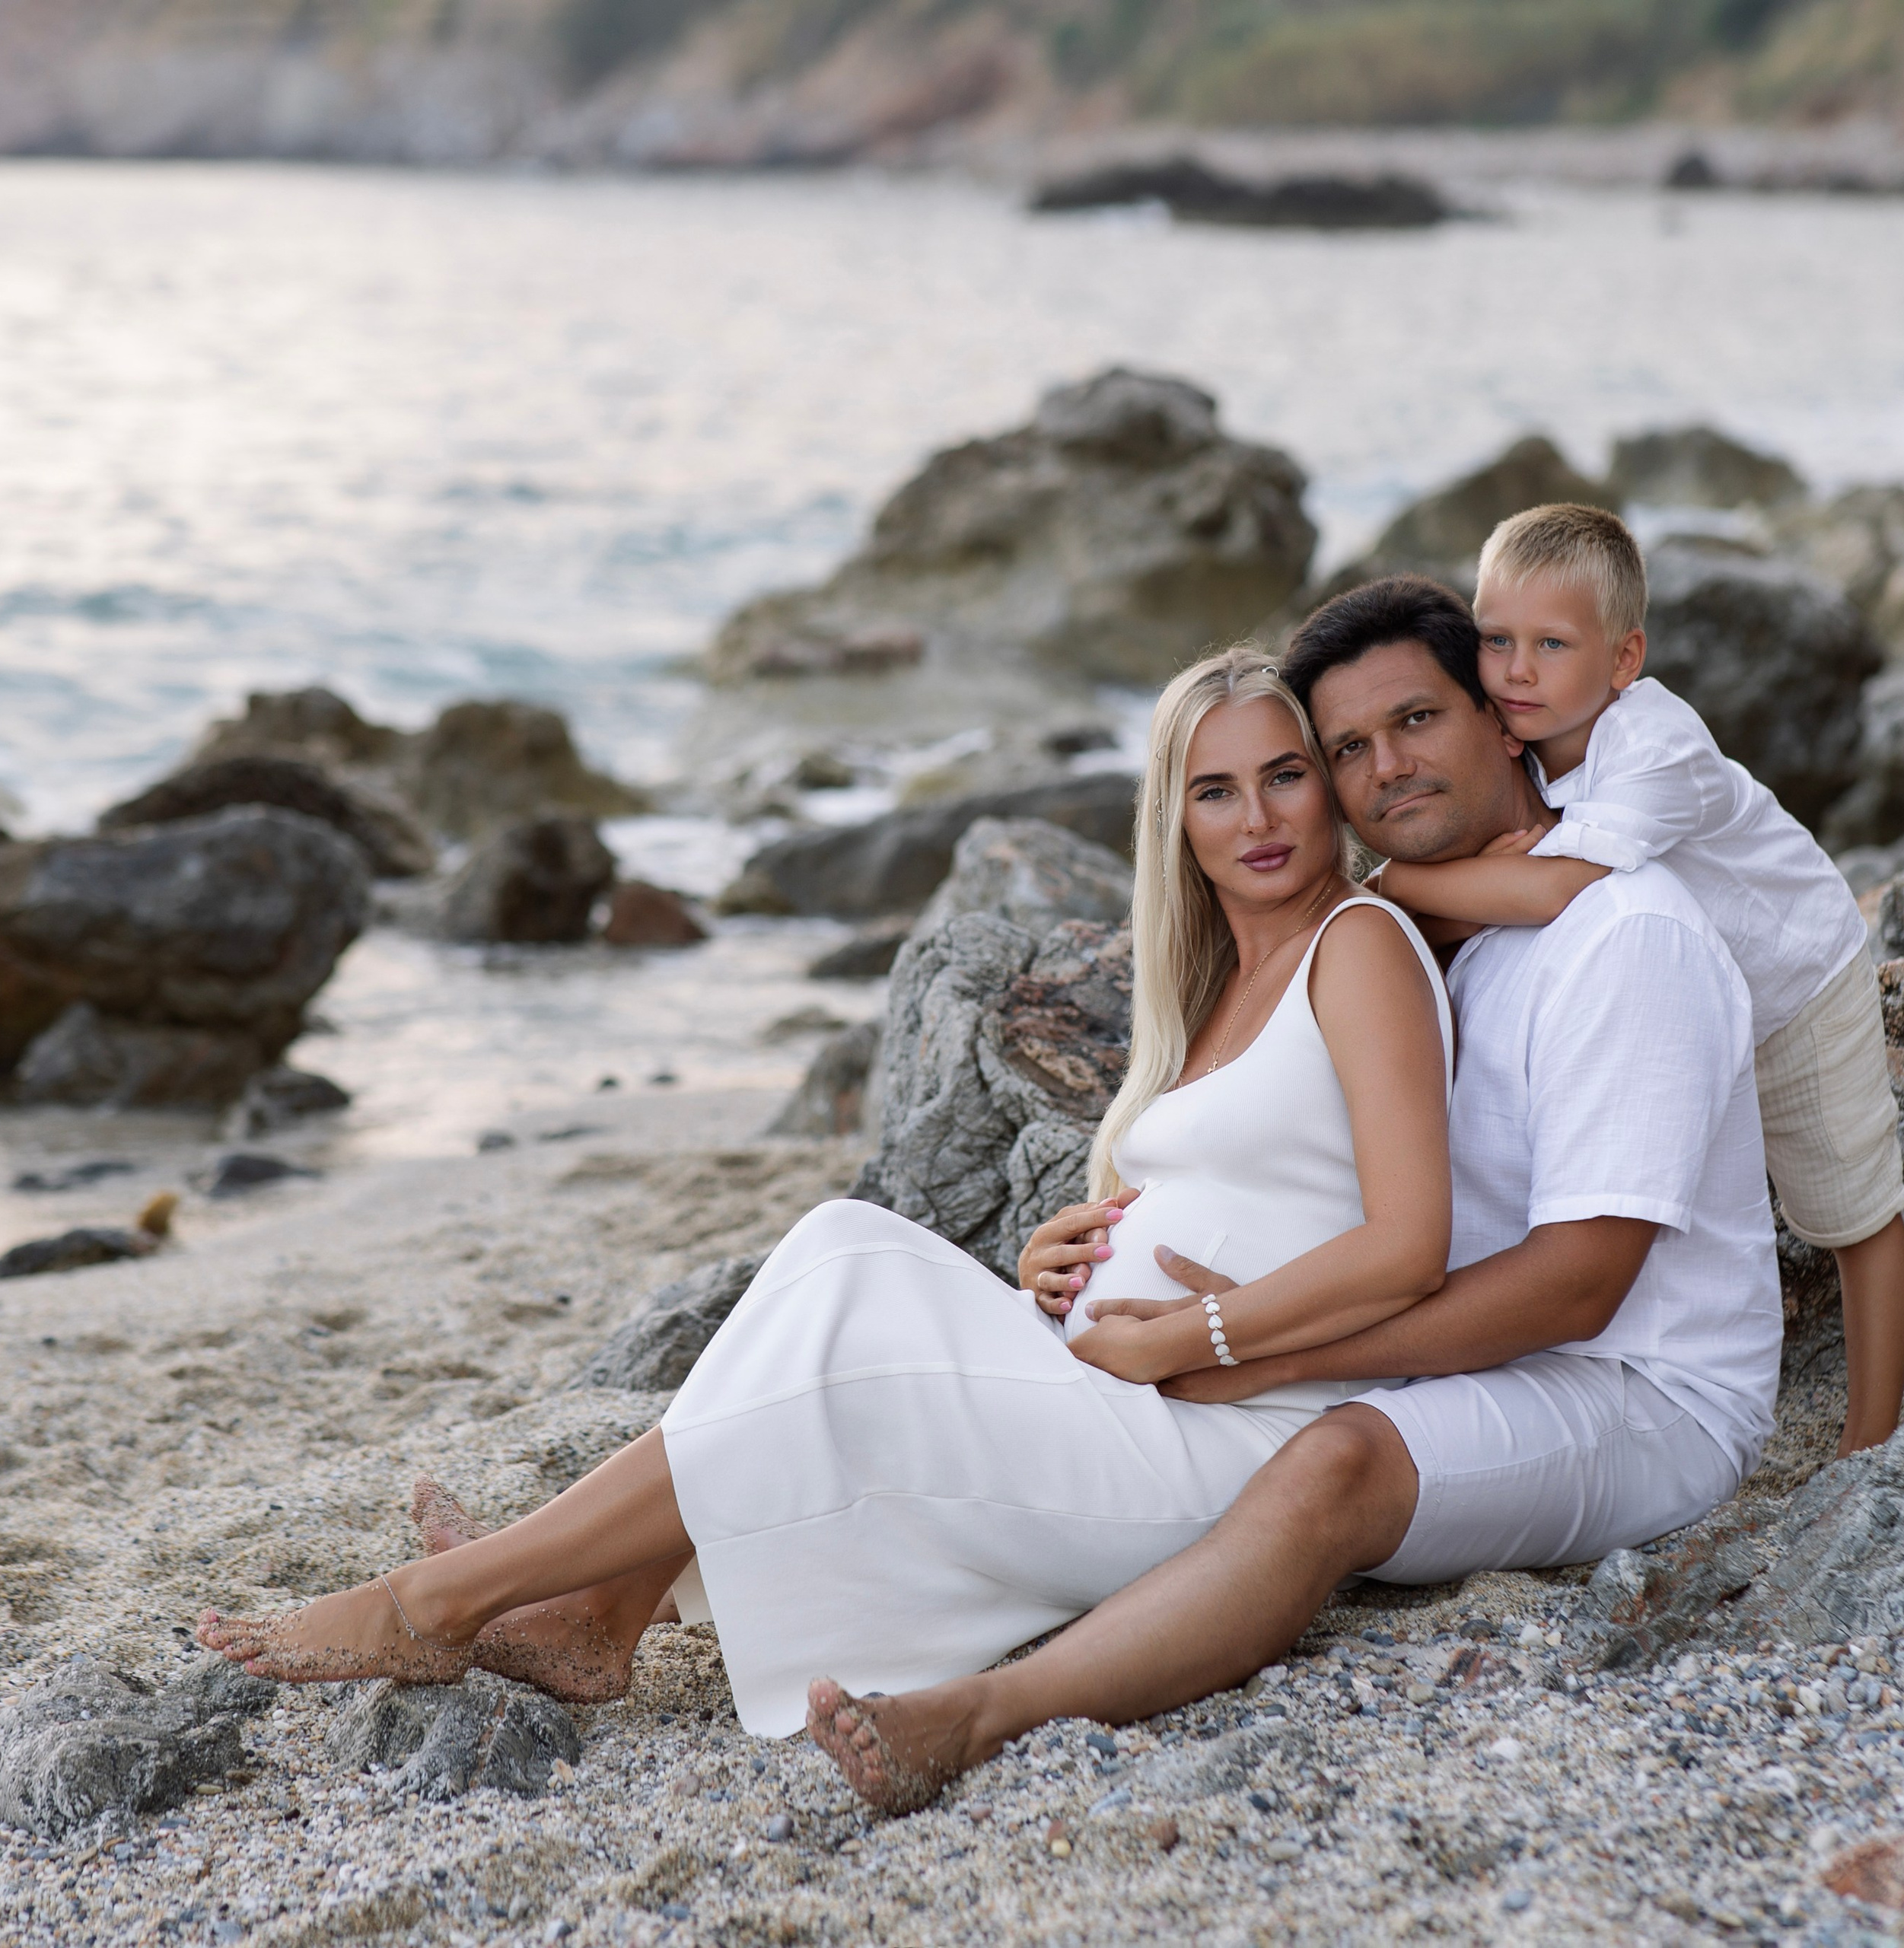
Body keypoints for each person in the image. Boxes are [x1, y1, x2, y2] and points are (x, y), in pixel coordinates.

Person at [196, 645, 1455, 1800]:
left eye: (1285, 776)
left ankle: (456, 1598)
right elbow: (1248, 1185)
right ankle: (598, 1606)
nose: (1261, 818)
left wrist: (1200, 1334)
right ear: (1175, 822)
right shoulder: (1226, 980)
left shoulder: (1362, 948)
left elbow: (1410, 1243)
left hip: (1225, 1448)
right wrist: (1070, 1250)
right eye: (1217, 790)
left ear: (1326, 788)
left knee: (846, 1332)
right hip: (1125, 1387)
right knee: (841, 1245)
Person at [795, 573, 1783, 1818]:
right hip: (1477, 1353)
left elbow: (1583, 1285)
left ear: (1503, 718)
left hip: (1646, 1392)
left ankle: (983, 1713)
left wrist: (1255, 1349)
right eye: (1351, 749)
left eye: (1417, 722)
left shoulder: (1622, 937)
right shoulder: (1434, 925)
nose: (1386, 771)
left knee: (1335, 1468)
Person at [1371, 505, 1904, 1456]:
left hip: (1791, 973)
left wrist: (1389, 886)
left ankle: (1867, 1444)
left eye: (1551, 644)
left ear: (1624, 661)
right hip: (1683, 992)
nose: (1517, 671)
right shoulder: (1520, 731)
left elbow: (1549, 893)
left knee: (1850, 1213)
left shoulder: (1655, 746)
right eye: (1494, 641)